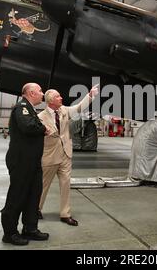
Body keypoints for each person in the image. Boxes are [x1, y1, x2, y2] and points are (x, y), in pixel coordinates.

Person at [38, 85, 99, 226]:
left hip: (65, 154)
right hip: (50, 156)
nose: (61, 98)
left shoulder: (64, 110)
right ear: (51, 101)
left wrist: (90, 95)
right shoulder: (40, 117)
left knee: (66, 185)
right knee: (43, 185)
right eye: (58, 96)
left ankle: (65, 214)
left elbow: (79, 107)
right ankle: (36, 209)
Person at [1, 83, 51, 246]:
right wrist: (43, 128)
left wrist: (40, 127)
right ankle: (10, 233)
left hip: (32, 161)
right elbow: (28, 126)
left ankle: (30, 228)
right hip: (21, 161)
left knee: (33, 195)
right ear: (31, 93)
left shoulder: (30, 109)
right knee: (17, 196)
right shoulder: (21, 107)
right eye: (40, 91)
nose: (42, 94)